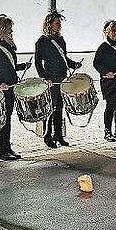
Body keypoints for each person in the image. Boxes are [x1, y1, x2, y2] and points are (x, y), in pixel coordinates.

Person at [0, 14, 30, 160]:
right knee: (2, 119)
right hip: (1, 89)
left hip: (11, 87)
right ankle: (1, 150)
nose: (11, 32)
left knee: (7, 118)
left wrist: (22, 66)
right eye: (9, 29)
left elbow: (9, 67)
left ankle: (7, 147)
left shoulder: (7, 45)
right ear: (1, 29)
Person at [35, 10, 82, 148]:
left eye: (60, 23)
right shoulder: (42, 41)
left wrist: (73, 64)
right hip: (51, 80)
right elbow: (38, 63)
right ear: (49, 25)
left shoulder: (61, 40)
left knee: (59, 108)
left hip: (62, 78)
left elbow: (64, 58)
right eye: (57, 23)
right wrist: (45, 78)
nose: (59, 26)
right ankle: (47, 135)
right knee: (50, 109)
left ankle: (58, 135)